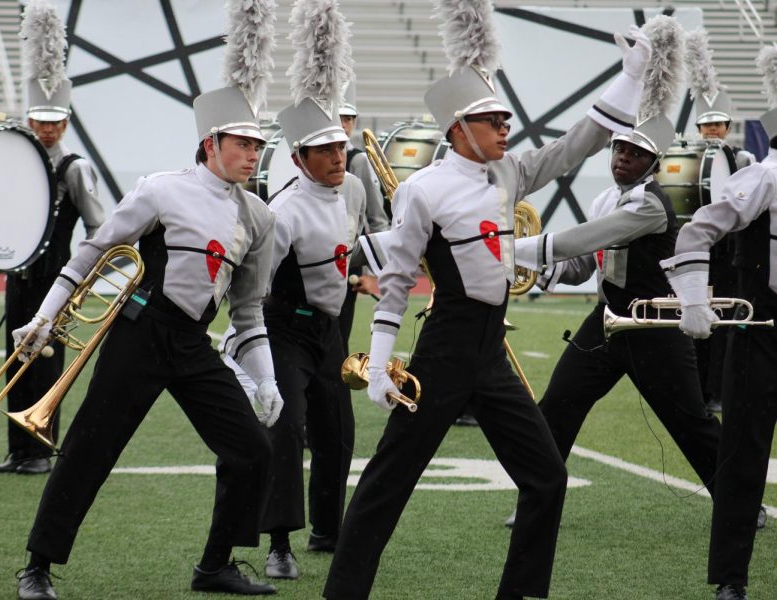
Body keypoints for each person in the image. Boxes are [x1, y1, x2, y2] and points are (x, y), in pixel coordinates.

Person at [322, 3, 652, 597]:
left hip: (491, 352)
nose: (506, 128)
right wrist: (377, 361)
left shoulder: (507, 174)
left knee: (547, 477)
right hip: (445, 349)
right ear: (459, 129)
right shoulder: (422, 192)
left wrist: (629, 77)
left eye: (505, 119)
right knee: (387, 482)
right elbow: (397, 280)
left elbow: (572, 148)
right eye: (494, 120)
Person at [11, 82, 286, 598]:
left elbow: (248, 311)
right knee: (90, 450)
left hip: (191, 342)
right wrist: (46, 317)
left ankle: (215, 566)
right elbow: (94, 251)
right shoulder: (161, 188)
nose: (254, 155)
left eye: (258, 146)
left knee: (253, 450)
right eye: (243, 144)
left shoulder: (260, 217)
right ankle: (37, 567)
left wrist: (266, 379)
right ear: (211, 143)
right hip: (139, 332)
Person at [512, 16, 724, 537]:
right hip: (606, 322)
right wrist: (547, 274)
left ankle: (739, 499)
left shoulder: (652, 206)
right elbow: (587, 261)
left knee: (690, 423)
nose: (622, 159)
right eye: (619, 150)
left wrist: (510, 249)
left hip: (654, 327)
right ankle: (538, 499)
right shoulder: (608, 196)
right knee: (557, 404)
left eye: (634, 154)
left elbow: (581, 240)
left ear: (653, 165)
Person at [241, 1, 366, 580]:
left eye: (342, 148)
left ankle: (328, 529)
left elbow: (353, 247)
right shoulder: (282, 212)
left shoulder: (356, 192)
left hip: (330, 331)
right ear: (299, 158)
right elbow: (257, 285)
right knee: (287, 429)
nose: (340, 157)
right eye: (327, 152)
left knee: (339, 433)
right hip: (285, 328)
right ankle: (279, 542)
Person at [659, 45, 777, 600]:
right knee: (741, 457)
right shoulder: (765, 177)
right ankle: (731, 579)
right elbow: (695, 230)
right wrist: (692, 300)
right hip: (761, 333)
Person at [0, 0, 105, 475]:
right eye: (39, 120)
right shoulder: (15, 161)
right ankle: (17, 449)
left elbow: (99, 227)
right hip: (18, 274)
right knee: (13, 361)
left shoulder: (74, 167)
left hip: (55, 277)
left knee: (44, 360)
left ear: (64, 122)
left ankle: (40, 448)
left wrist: (82, 276)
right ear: (29, 120)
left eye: (53, 121)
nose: (45, 128)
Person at [684, 28, 756, 414]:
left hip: (728, 249)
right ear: (697, 129)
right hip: (697, 247)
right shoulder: (685, 160)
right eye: (706, 125)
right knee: (696, 318)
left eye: (718, 124)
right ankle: (696, 390)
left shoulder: (744, 162)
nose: (712, 130)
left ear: (728, 127)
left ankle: (718, 391)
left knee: (726, 319)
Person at [337, 76, 389, 353]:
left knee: (336, 345)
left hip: (346, 265)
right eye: (339, 116)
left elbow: (376, 219)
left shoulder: (357, 160)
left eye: (349, 118)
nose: (344, 124)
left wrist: (375, 273)